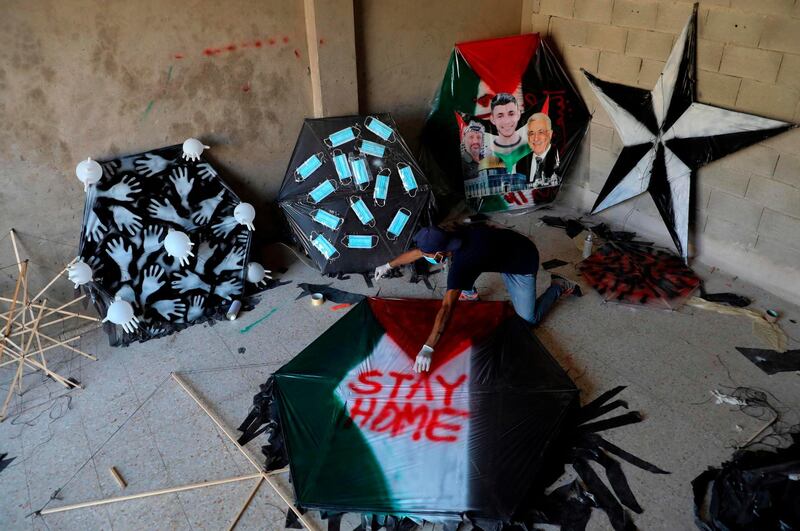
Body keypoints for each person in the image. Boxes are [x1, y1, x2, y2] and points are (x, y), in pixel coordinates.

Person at [374, 225, 579, 373]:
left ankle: (559, 286)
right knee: (459, 274)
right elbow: (418, 253)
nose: (424, 256)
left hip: (521, 262)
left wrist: (429, 346)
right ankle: (469, 291)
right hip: (503, 246)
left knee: (528, 319)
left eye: (429, 255)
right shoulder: (451, 234)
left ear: (440, 251)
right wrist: (389, 265)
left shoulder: (464, 262)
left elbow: (447, 307)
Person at [486, 93, 530, 172]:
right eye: (500, 116)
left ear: (518, 114)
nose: (506, 121)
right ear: (492, 119)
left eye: (511, 114)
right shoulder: (484, 154)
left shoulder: (531, 148)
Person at [517, 113, 561, 187]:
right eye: (531, 133)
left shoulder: (560, 156)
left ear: (550, 134)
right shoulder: (521, 163)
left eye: (541, 132)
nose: (536, 138)